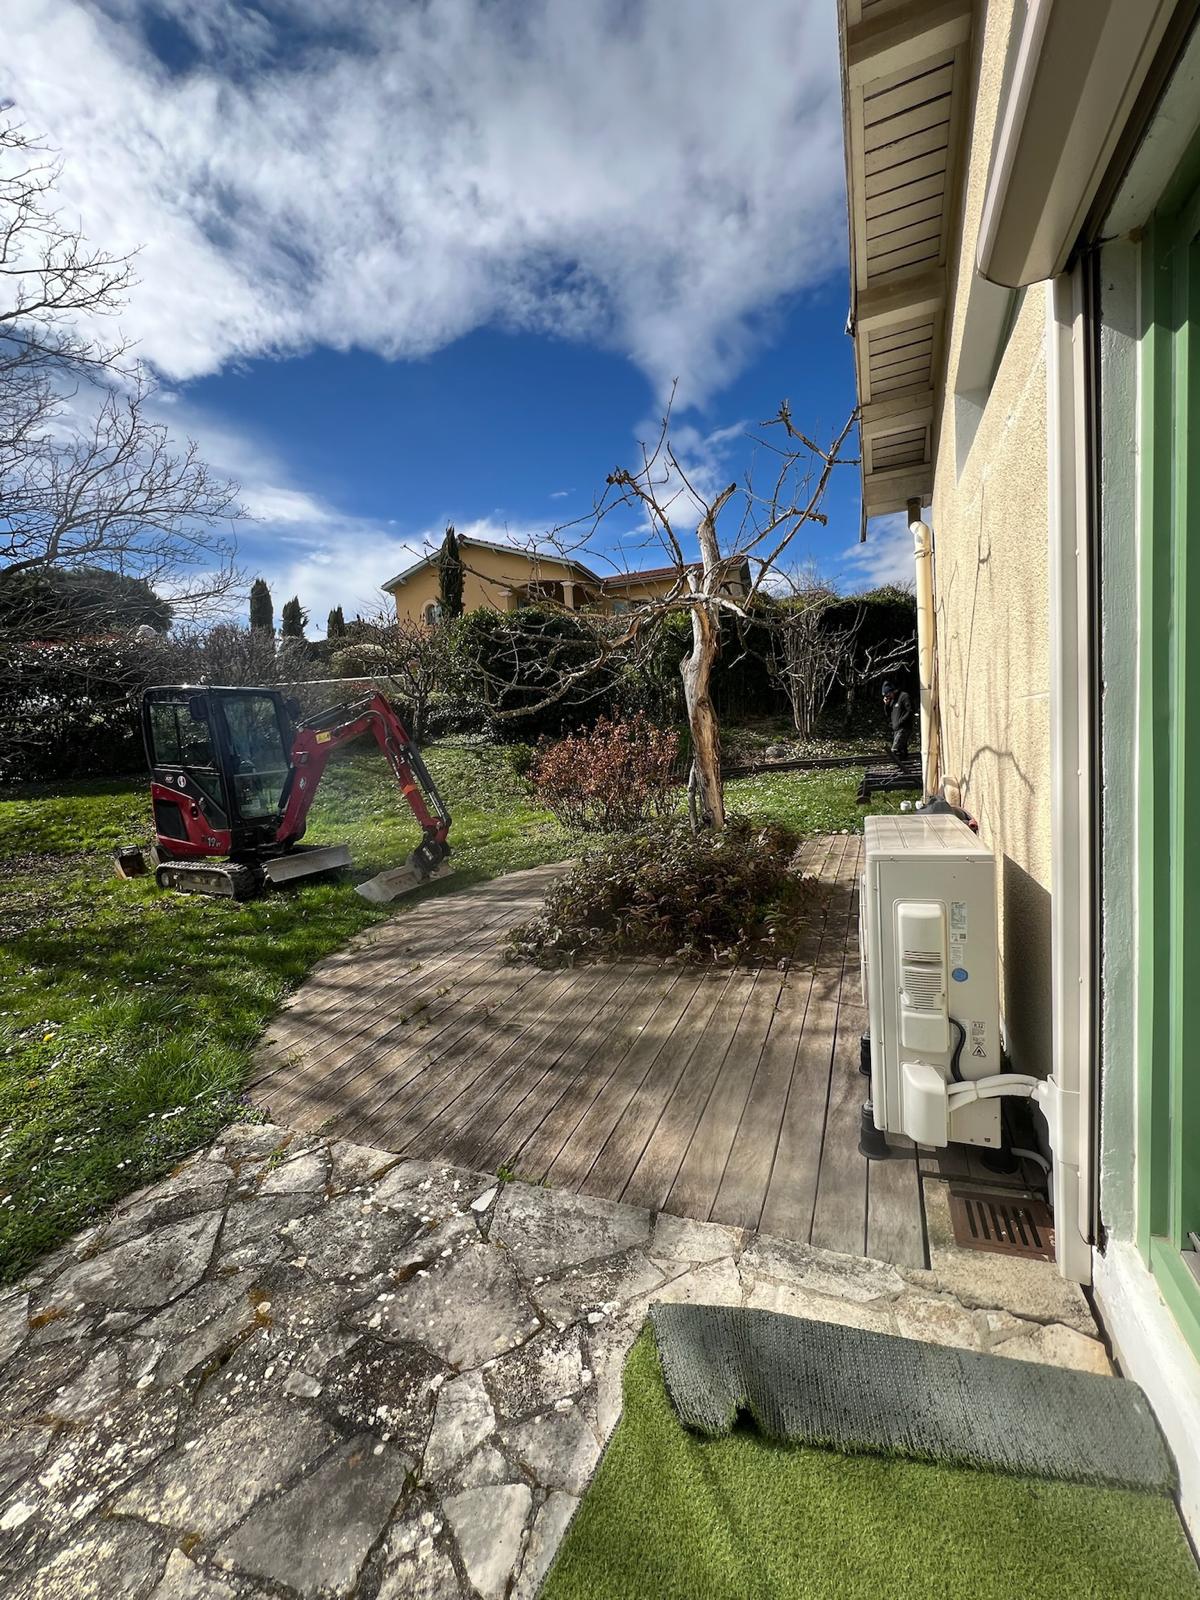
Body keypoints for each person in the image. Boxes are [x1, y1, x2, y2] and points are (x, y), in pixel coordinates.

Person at [882, 680, 914, 762]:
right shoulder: (892, 700)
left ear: (893, 691)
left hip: (904, 727)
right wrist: (886, 704)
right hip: (896, 729)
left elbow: (910, 711)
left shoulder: (904, 696)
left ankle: (901, 764)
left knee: (895, 749)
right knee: (901, 751)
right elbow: (888, 714)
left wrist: (901, 722)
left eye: (888, 694)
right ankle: (904, 764)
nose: (888, 696)